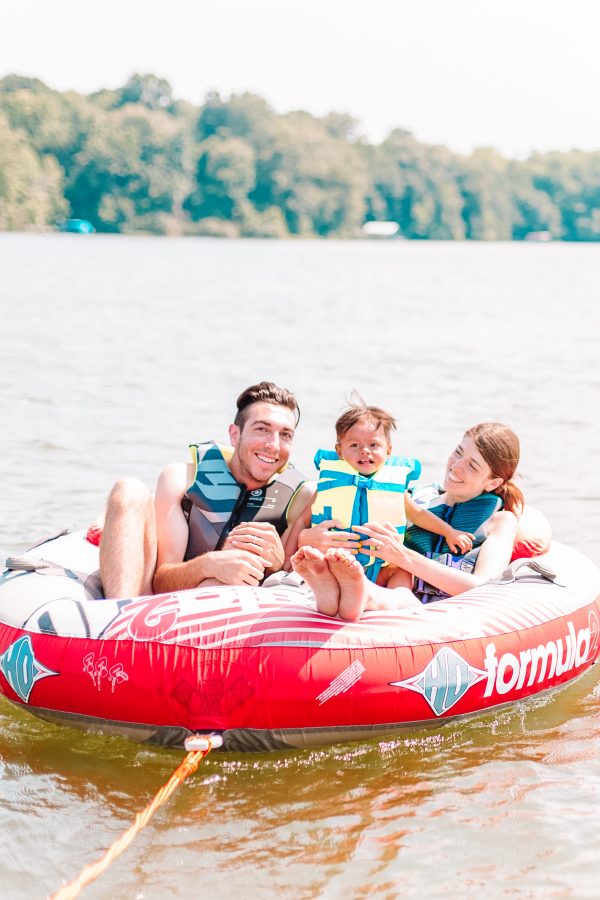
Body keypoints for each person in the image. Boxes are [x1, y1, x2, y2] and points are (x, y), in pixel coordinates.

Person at [291, 422, 527, 621]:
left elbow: (482, 587)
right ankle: (332, 590)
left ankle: (363, 593)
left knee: (400, 589)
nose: (456, 466)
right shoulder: (418, 499)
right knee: (391, 575)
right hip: (390, 582)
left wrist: (401, 555)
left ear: (493, 483)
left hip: (432, 606)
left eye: (472, 465)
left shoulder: (500, 521)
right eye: (458, 452)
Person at [99, 382, 312, 599]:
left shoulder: (301, 500)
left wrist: (275, 566)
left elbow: (293, 586)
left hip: (232, 609)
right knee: (129, 489)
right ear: (235, 435)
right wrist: (209, 564)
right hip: (162, 601)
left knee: (223, 582)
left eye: (285, 435)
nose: (274, 445)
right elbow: (161, 581)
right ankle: (116, 617)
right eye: (262, 429)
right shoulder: (182, 481)